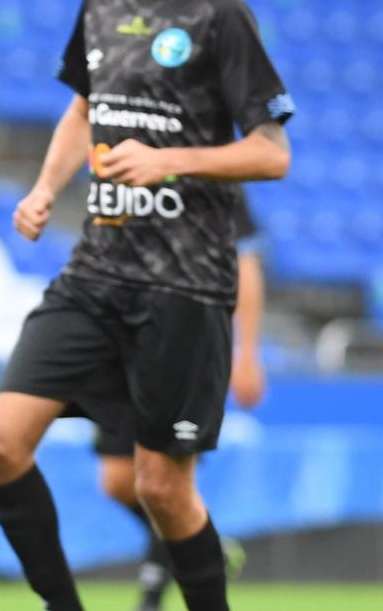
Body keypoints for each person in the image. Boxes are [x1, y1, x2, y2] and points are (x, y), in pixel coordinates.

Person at [0, 0, 294, 611]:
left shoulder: (223, 17)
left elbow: (272, 152)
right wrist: (47, 186)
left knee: (162, 488)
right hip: (95, 273)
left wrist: (168, 160)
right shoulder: (100, 1)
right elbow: (83, 110)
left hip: (183, 289)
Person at [97, 197, 264, 610]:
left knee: (163, 481)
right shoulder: (116, 150)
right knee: (119, 482)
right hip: (123, 344)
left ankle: (150, 599)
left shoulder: (208, 166)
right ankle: (202, 546)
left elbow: (245, 262)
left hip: (187, 341)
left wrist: (246, 354)